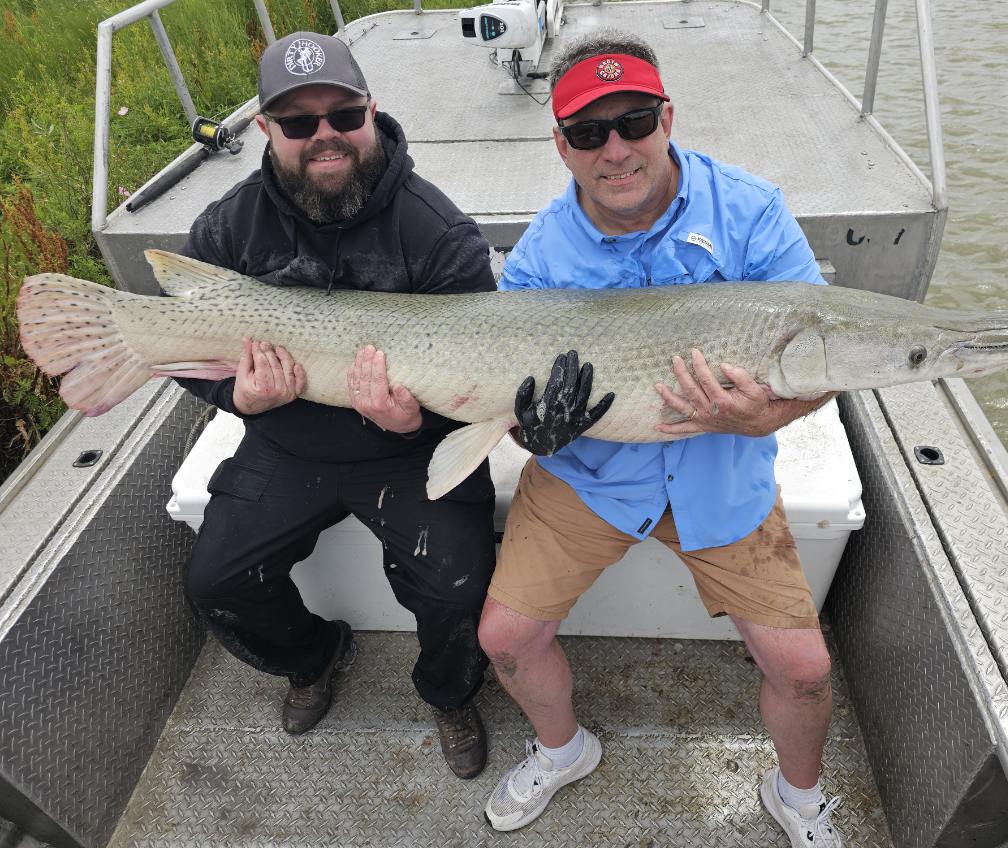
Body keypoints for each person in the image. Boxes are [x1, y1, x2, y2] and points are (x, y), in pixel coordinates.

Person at [477, 31, 845, 846]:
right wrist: (530, 431)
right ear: (561, 145)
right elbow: (510, 406)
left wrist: (765, 417)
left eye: (634, 120)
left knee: (805, 671)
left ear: (666, 116)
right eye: (587, 132)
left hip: (721, 473)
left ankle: (799, 798)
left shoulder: (751, 210)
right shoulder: (537, 259)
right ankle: (561, 750)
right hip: (591, 478)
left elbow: (822, 361)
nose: (615, 149)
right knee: (504, 639)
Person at [175, 31, 499, 779]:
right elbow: (184, 351)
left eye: (342, 115)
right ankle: (314, 656)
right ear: (266, 130)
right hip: (285, 445)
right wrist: (237, 396)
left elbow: (482, 378)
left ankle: (448, 693)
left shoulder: (439, 233)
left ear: (371, 113)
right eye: (297, 123)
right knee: (215, 584)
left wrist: (414, 421)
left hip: (408, 450)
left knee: (458, 582)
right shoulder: (227, 226)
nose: (325, 136)